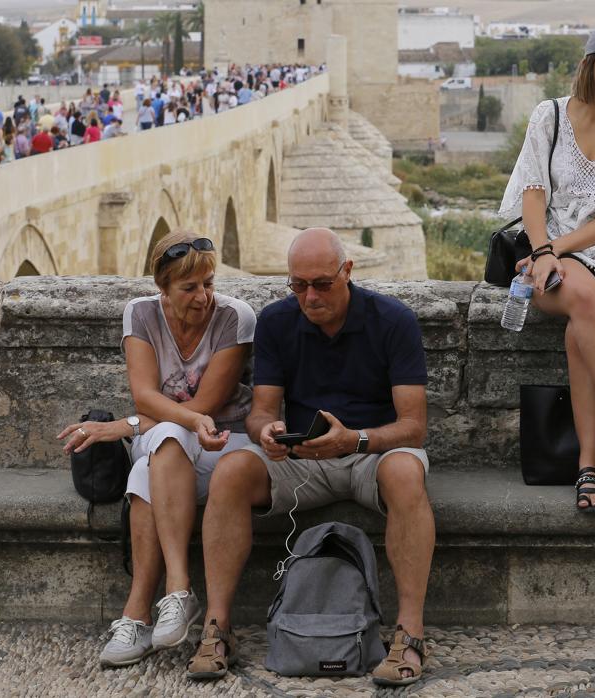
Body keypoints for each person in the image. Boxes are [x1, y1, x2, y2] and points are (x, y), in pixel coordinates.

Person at [191, 228, 436, 686]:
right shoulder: (278, 321)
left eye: (321, 284)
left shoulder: (393, 320)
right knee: (231, 471)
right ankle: (217, 627)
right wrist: (268, 433)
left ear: (348, 272)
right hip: (303, 455)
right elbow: (261, 412)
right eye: (298, 285)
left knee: (407, 472)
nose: (309, 296)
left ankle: (409, 634)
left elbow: (413, 426)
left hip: (371, 451)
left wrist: (355, 440)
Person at [57, 230, 257, 669]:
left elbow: (203, 409)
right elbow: (147, 398)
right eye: (189, 288)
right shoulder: (140, 315)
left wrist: (121, 427)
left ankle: (140, 611)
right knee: (165, 444)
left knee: (151, 461)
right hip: (174, 442)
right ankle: (176, 595)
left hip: (225, 442)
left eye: (209, 283)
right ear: (162, 288)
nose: (203, 296)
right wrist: (137, 420)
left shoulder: (235, 317)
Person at [498, 21, 595, 513]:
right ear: (590, 65)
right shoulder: (548, 116)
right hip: (544, 255)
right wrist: (545, 250)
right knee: (584, 300)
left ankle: (589, 465)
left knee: (581, 330)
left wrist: (561, 247)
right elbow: (532, 190)